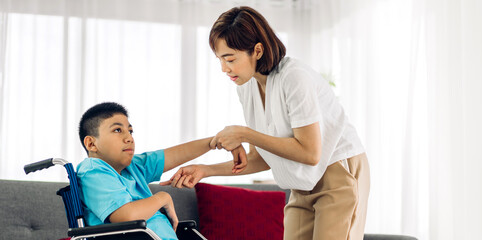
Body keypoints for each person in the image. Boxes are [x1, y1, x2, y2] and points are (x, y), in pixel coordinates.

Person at [164, 6, 370, 240]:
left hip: (337, 171)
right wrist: (205, 170)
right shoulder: (247, 87)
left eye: (230, 58)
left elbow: (311, 152)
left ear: (258, 50)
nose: (224, 68)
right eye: (220, 59)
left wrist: (245, 134)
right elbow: (261, 157)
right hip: (301, 185)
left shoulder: (294, 77)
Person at [76, 102, 247, 240]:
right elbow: (126, 216)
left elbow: (176, 154)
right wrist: (162, 197)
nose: (129, 137)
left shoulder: (133, 167)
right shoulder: (93, 171)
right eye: (117, 130)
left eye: (130, 130)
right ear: (91, 144)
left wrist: (217, 142)